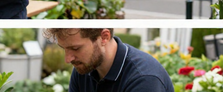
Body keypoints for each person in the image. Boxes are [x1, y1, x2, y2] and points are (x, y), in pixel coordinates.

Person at [43, 28, 173, 91]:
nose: (68, 59)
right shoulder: (83, 68)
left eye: (75, 48)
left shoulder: (144, 79)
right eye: (64, 48)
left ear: (104, 37)